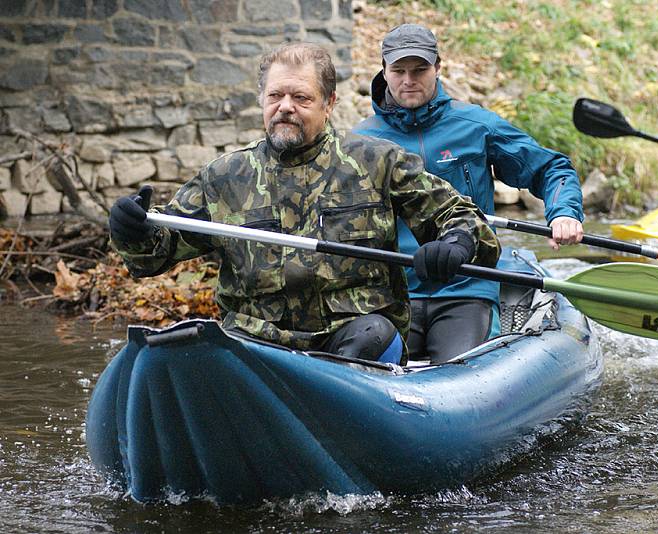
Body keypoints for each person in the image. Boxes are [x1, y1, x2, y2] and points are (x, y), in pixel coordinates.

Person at [108, 42, 500, 366]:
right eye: (275, 96)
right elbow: (153, 256)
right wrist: (132, 231)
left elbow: (463, 219)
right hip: (256, 339)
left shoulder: (377, 161)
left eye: (301, 97)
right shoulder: (224, 177)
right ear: (261, 100)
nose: (285, 107)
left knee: (372, 336)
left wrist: (457, 244)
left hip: (355, 337)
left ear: (328, 103)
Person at [354, 23, 584, 364]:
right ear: (384, 72)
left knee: (459, 373)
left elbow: (551, 168)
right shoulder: (359, 142)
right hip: (393, 293)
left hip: (467, 287)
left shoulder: (476, 125)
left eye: (419, 70)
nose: (408, 80)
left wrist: (564, 212)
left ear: (438, 68)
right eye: (398, 71)